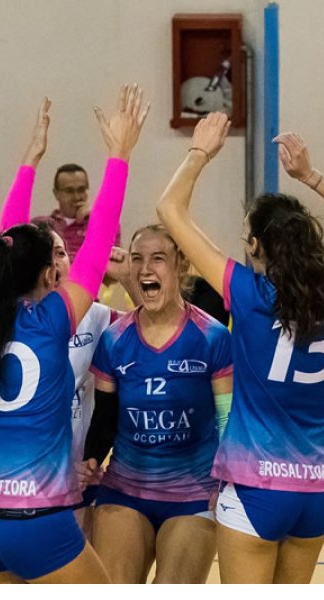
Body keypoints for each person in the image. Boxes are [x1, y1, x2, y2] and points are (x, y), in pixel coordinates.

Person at [156, 112, 324, 584]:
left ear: (257, 245)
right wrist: (311, 176)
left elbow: (169, 209)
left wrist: (199, 153)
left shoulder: (249, 293)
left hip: (256, 484)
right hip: (316, 490)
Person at [0, 84, 148, 584]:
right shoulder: (49, 322)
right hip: (37, 518)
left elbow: (8, 242)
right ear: (49, 274)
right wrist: (120, 155)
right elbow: (100, 239)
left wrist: (29, 160)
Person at [83, 224, 232, 584]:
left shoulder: (212, 337)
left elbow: (228, 421)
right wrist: (89, 462)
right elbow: (104, 419)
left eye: (158, 258)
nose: (145, 268)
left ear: (181, 266)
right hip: (125, 489)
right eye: (137, 259)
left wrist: (229, 484)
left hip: (195, 494)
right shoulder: (114, 340)